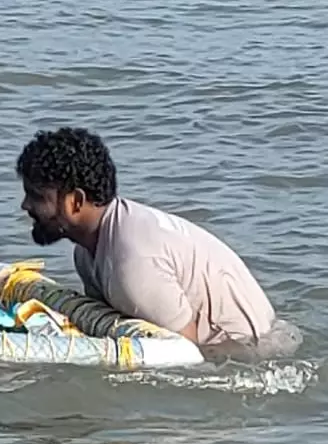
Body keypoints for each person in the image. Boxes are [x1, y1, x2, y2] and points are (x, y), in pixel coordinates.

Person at [15, 128, 275, 347]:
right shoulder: (86, 252)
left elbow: (185, 354)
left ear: (76, 201)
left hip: (250, 353)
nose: (25, 205)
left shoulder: (132, 262)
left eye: (37, 196)